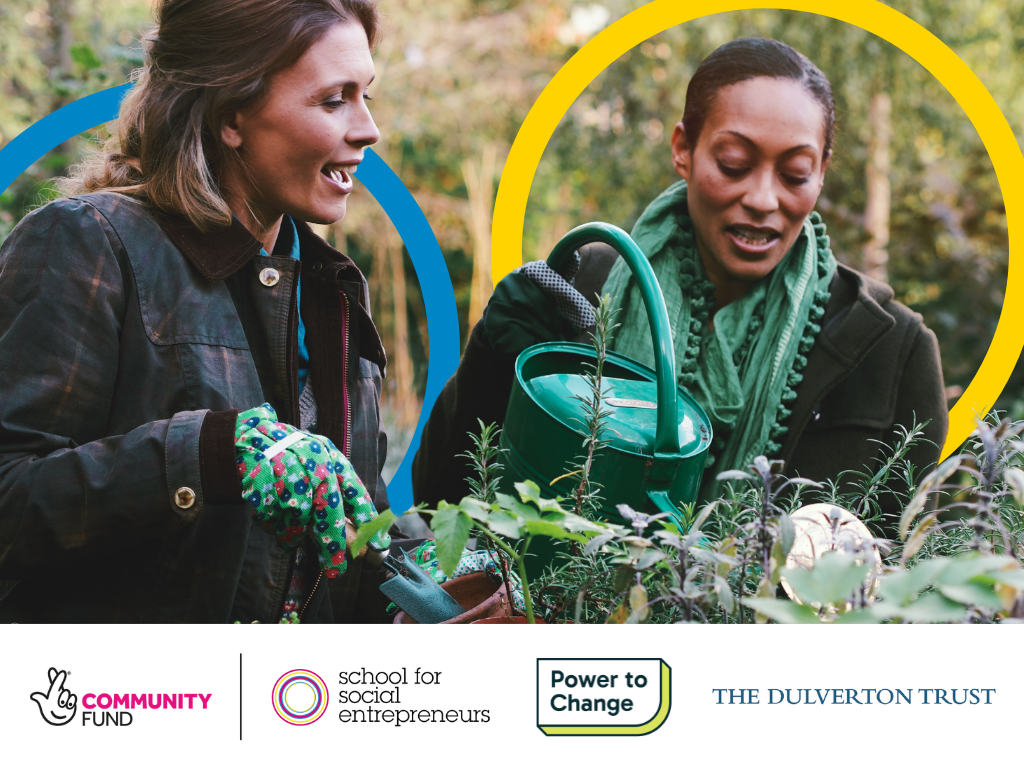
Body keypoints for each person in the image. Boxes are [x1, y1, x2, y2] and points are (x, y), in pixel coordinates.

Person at [413, 38, 948, 535]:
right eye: (734, 164)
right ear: (682, 149)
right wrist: (490, 365)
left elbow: (903, 578)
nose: (763, 198)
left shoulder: (891, 349)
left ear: (823, 171)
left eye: (795, 174)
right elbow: (440, 506)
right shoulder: (582, 289)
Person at [0, 0, 396, 623]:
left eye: (366, 95)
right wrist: (208, 455)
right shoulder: (87, 244)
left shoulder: (332, 289)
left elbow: (357, 523)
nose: (368, 129)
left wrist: (433, 589)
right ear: (231, 115)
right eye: (333, 100)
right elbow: (10, 502)